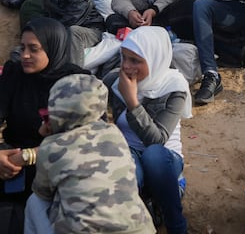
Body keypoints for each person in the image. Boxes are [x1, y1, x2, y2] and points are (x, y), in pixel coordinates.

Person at [24, 74, 155, 234]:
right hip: (139, 230)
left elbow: (43, 192)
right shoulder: (115, 134)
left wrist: (49, 133)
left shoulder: (51, 146)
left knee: (35, 202)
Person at [107, 26, 191, 234]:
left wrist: (132, 102)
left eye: (135, 60)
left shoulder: (174, 87)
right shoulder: (113, 82)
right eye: (124, 58)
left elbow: (157, 140)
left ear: (155, 59)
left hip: (165, 158)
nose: (126, 66)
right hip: (130, 153)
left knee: (153, 156)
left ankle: (176, 224)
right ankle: (148, 202)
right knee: (127, 173)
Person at [0, 18, 87, 219]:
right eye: (22, 48)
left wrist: (28, 157)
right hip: (12, 164)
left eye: (34, 49)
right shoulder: (14, 73)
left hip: (60, 164)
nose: (25, 55)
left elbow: (85, 140)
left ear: (53, 47)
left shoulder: (77, 82)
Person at [19, 0, 104, 68]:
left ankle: (73, 72)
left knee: (73, 32)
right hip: (62, 29)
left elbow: (69, 22)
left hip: (90, 30)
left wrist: (47, 37)